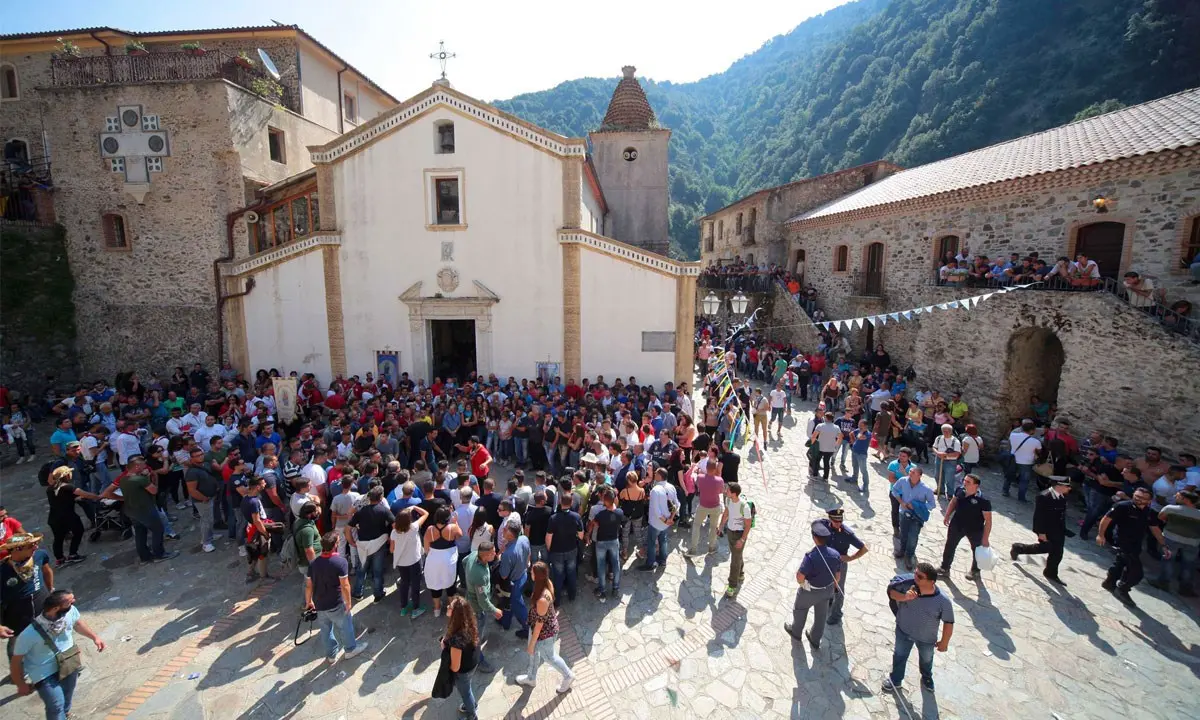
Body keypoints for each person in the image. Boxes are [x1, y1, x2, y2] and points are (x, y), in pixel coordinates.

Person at [11, 589, 105, 720]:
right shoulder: (28, 634)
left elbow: (77, 624)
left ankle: (65, 714)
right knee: (56, 705)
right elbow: (16, 661)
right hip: (43, 672)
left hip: (68, 660)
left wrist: (95, 637)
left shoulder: (70, 611)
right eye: (69, 602)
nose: (73, 602)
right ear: (55, 608)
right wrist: (20, 684)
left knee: (67, 694)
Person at [882, 562, 954, 694]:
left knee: (926, 660)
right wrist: (905, 597)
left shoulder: (943, 601)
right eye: (915, 573)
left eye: (920, 576)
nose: (915, 577)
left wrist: (944, 642)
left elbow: (948, 622)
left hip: (926, 638)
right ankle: (896, 680)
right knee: (899, 656)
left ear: (931, 582)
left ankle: (927, 678)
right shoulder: (906, 586)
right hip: (904, 631)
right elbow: (892, 593)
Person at [1098, 487, 1169, 605]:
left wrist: (1164, 545)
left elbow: (1155, 529)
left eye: (1142, 498)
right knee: (1136, 572)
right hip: (1122, 541)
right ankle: (1123, 589)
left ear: (1149, 501)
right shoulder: (1122, 506)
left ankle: (1109, 582)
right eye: (1136, 496)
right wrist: (1101, 535)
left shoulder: (1149, 512)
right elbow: (1106, 519)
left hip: (1136, 543)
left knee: (1120, 563)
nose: (1138, 499)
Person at [305, 531, 368, 663]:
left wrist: (309, 602)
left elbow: (309, 586)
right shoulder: (340, 562)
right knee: (346, 627)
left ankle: (331, 655)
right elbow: (345, 586)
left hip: (319, 604)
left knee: (326, 631)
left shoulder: (313, 564)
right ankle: (350, 649)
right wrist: (349, 603)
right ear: (335, 545)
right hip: (336, 604)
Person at [514, 561, 575, 692]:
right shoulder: (544, 584)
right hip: (539, 628)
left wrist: (531, 645)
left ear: (536, 575)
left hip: (545, 634)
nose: (530, 573)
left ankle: (568, 676)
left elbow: (539, 626)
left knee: (549, 657)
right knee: (534, 654)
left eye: (531, 572)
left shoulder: (542, 598)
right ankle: (531, 678)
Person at [784, 521, 843, 650]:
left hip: (810, 591)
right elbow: (837, 576)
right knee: (821, 616)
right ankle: (815, 639)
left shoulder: (811, 556)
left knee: (800, 610)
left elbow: (800, 576)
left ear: (814, 538)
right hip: (827, 590)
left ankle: (796, 632)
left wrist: (802, 584)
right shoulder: (835, 554)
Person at [1, 533, 55, 659]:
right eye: (31, 545)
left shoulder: (40, 555)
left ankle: (63, 660)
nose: (35, 547)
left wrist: (50, 589)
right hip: (16, 613)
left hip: (41, 602)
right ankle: (18, 671)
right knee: (17, 643)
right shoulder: (3, 570)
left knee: (52, 633)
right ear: (17, 549)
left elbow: (47, 571)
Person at [1010, 477, 1072, 585]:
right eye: (1067, 486)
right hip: (1046, 529)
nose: (1069, 489)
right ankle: (1018, 548)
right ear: (1059, 486)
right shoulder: (1044, 496)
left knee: (1058, 552)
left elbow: (1061, 515)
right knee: (1045, 548)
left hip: (1058, 530)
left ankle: (1051, 573)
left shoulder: (1062, 496)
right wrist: (1041, 533)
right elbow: (1038, 516)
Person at [819, 508, 867, 625]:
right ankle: (829, 601)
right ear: (830, 519)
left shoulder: (847, 534)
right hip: (826, 562)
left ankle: (836, 614)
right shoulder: (825, 525)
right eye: (835, 521)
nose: (838, 523)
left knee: (838, 589)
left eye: (840, 521)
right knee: (826, 583)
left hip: (839, 565)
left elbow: (864, 548)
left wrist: (850, 558)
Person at [939, 474, 992, 581]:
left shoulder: (983, 500)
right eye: (964, 480)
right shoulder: (960, 490)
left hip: (975, 529)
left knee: (977, 550)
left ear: (976, 485)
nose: (964, 483)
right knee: (950, 545)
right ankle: (945, 568)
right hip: (957, 524)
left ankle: (975, 571)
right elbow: (953, 501)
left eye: (968, 482)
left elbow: (989, 521)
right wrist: (947, 515)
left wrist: (985, 538)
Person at [461, 541, 503, 674]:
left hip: (470, 598)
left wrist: (468, 580)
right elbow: (483, 601)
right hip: (477, 609)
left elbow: (464, 561)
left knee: (473, 631)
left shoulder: (473, 554)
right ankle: (478, 660)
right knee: (476, 637)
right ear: (485, 556)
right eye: (492, 553)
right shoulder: (479, 576)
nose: (495, 554)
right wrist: (494, 610)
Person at [44, 467, 99, 566]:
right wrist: (99, 496)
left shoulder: (50, 489)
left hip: (54, 518)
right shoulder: (68, 487)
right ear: (66, 475)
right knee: (78, 532)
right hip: (68, 516)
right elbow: (85, 494)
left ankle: (59, 559)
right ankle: (73, 554)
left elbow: (61, 499)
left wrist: (75, 498)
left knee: (58, 538)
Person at [441, 596, 482, 720]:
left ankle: (472, 715)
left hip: (464, 670)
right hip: (473, 661)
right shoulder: (469, 622)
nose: (447, 607)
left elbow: (455, 667)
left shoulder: (457, 640)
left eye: (449, 607)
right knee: (467, 688)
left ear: (454, 614)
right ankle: (472, 704)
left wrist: (444, 650)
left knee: (465, 692)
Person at [1152, 489, 1199, 596]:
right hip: (1193, 542)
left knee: (1168, 560)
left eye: (1177, 496)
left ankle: (1163, 582)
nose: (1174, 497)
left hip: (1171, 538)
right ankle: (1185, 588)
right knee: (1188, 564)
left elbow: (1161, 517)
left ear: (1185, 499)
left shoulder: (1170, 509)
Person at [891, 468, 935, 570]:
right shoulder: (903, 480)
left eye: (913, 472)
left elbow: (932, 505)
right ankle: (902, 550)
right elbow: (894, 490)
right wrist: (901, 501)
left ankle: (909, 556)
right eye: (910, 471)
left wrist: (918, 506)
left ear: (919, 475)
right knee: (904, 533)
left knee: (913, 537)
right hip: (904, 513)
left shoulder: (926, 489)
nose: (910, 473)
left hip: (917, 516)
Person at [390, 506, 429, 617]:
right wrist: (414, 507)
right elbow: (426, 514)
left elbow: (391, 549)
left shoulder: (394, 532)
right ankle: (416, 608)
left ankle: (404, 607)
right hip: (414, 561)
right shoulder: (413, 527)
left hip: (401, 562)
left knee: (404, 583)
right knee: (415, 584)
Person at [423, 505, 462, 617]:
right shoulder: (452, 527)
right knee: (450, 584)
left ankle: (437, 609)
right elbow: (460, 535)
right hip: (448, 559)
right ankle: (451, 608)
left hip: (434, 559)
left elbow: (426, 548)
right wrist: (455, 522)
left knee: (435, 584)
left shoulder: (430, 529)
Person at [587, 486, 624, 602]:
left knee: (601, 565)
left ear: (605, 500)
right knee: (616, 564)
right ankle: (615, 588)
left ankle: (602, 590)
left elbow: (592, 525)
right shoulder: (619, 512)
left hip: (601, 542)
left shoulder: (600, 515)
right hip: (614, 541)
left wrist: (588, 535)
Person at [546, 492, 584, 604]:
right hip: (572, 549)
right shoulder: (576, 517)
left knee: (558, 575)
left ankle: (557, 599)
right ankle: (572, 595)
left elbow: (549, 537)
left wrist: (549, 549)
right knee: (571, 572)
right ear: (571, 503)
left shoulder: (553, 518)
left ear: (560, 502)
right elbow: (581, 535)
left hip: (557, 551)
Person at [640, 468, 678, 572]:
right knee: (663, 540)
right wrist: (670, 519)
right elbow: (677, 504)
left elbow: (656, 511)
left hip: (656, 522)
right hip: (666, 522)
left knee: (652, 543)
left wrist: (666, 520)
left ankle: (650, 564)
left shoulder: (655, 490)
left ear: (659, 476)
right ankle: (662, 560)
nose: (654, 474)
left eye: (656, 473)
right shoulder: (671, 487)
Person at [497, 524, 531, 638]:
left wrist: (499, 557)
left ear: (510, 535)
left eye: (505, 529)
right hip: (523, 575)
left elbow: (504, 575)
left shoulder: (507, 554)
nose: (503, 530)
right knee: (509, 603)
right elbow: (528, 555)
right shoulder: (524, 538)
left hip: (513, 583)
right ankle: (505, 622)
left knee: (518, 606)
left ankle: (528, 629)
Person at [689, 460, 724, 556]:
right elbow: (721, 491)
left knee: (696, 526)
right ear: (715, 468)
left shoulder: (700, 478)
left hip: (703, 505)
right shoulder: (719, 480)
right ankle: (711, 547)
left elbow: (698, 486)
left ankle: (693, 549)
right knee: (713, 527)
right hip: (715, 506)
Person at [1004, 420, 1042, 502]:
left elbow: (1010, 445)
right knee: (1024, 481)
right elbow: (1039, 451)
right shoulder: (1036, 442)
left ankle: (1005, 491)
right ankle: (1021, 497)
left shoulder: (1013, 435)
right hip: (1026, 462)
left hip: (1013, 459)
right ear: (1032, 430)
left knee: (1009, 476)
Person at [810, 412, 842, 481]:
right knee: (826, 462)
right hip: (830, 448)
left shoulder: (820, 426)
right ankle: (825, 478)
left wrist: (812, 445)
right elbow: (840, 438)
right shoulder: (837, 427)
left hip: (820, 447)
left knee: (817, 461)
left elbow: (814, 436)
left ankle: (815, 475)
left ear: (826, 418)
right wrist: (836, 445)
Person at [931, 424, 961, 498]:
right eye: (944, 431)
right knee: (937, 476)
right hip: (939, 459)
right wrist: (938, 453)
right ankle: (940, 490)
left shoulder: (955, 441)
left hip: (950, 462)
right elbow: (934, 447)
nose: (945, 433)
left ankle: (950, 494)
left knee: (949, 478)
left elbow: (957, 453)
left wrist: (946, 456)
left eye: (947, 431)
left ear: (951, 431)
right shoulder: (938, 438)